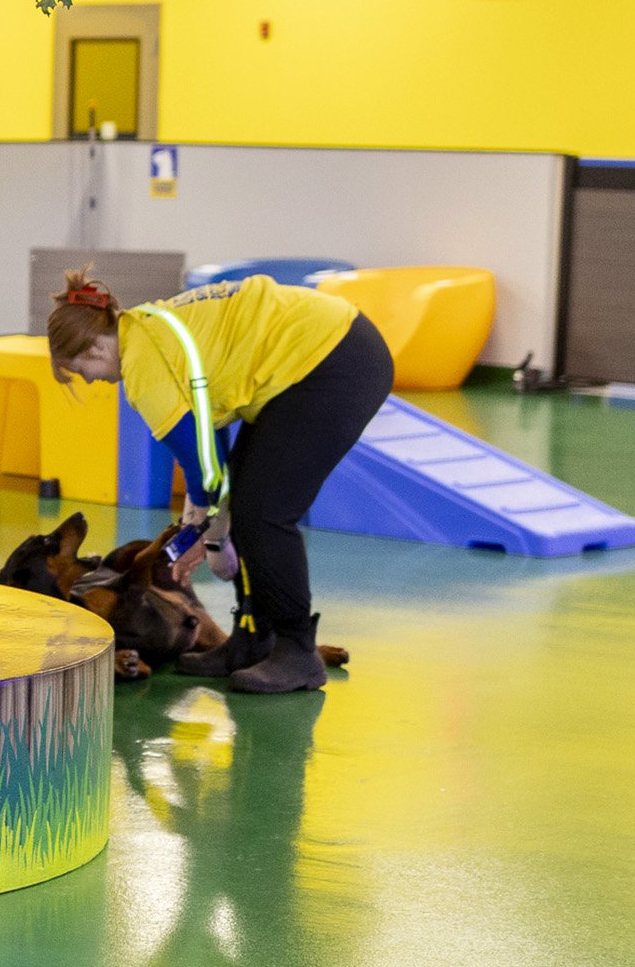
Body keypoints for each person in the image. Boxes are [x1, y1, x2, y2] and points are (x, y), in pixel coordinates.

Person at [45, 268, 392, 693]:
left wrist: (209, 537)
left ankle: (297, 650)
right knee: (246, 499)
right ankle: (252, 638)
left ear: (97, 347)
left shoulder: (143, 368)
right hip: (323, 348)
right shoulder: (144, 327)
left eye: (80, 370)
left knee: (264, 513)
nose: (89, 380)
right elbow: (211, 439)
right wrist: (209, 526)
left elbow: (204, 468)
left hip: (332, 360)